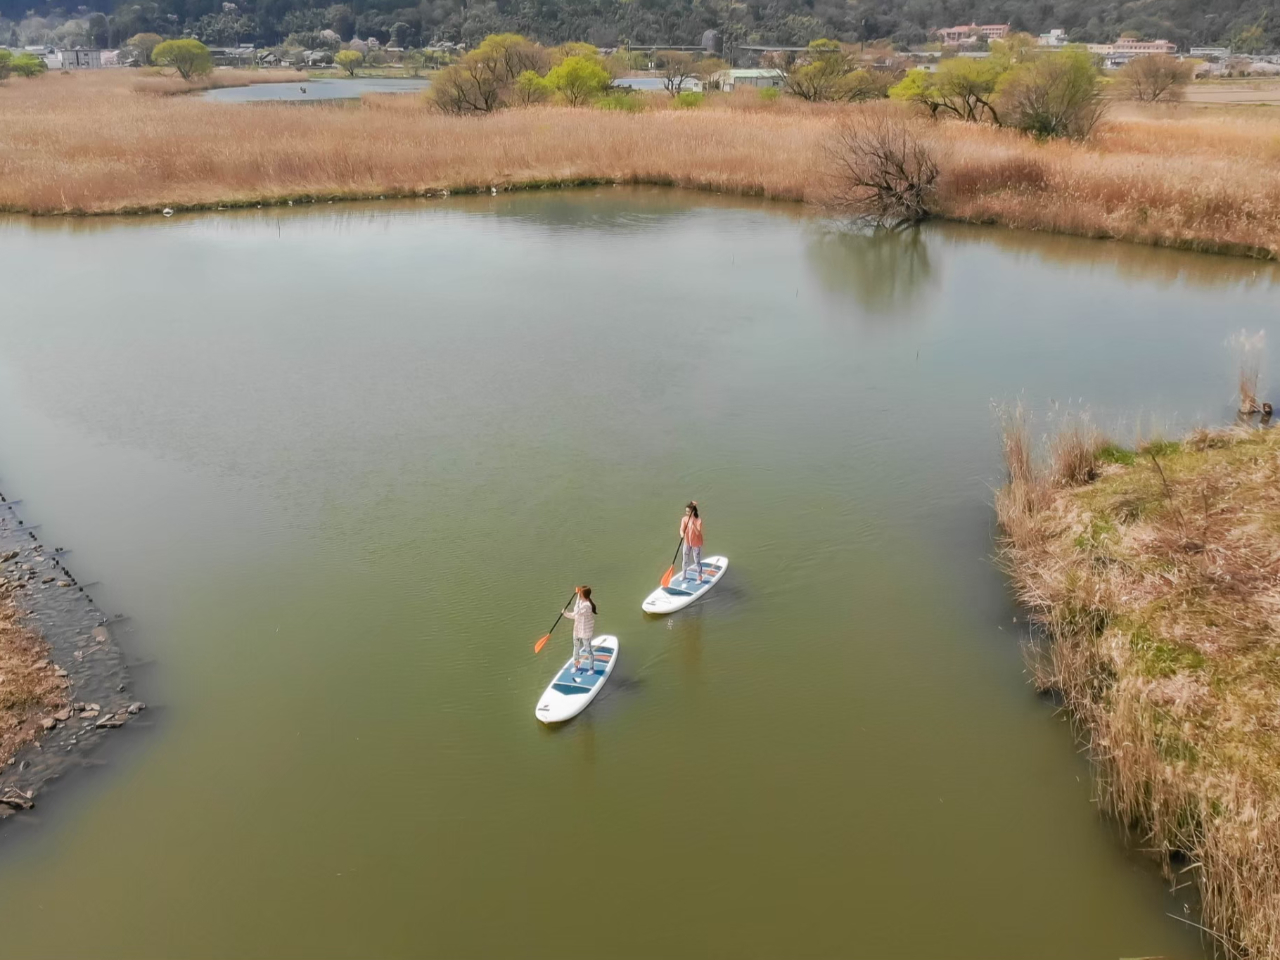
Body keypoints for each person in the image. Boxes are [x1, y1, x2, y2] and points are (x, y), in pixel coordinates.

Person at [562, 585, 598, 672]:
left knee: (588, 649)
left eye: (580, 594)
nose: (579, 595)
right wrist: (565, 613)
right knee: (576, 648)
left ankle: (591, 668)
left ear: (582, 595)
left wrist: (577, 597)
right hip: (577, 630)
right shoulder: (581, 603)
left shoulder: (587, 605)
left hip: (586, 631)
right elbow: (576, 615)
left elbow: (576, 611)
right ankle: (576, 665)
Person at [680, 501, 704, 582]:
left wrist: (693, 524)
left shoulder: (698, 520)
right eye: (686, 511)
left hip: (696, 543)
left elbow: (698, 533)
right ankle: (684, 574)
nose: (686, 513)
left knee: (696, 560)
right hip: (687, 542)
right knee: (685, 559)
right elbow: (681, 529)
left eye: (688, 511)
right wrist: (682, 534)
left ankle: (699, 577)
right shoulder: (684, 519)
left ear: (693, 511)